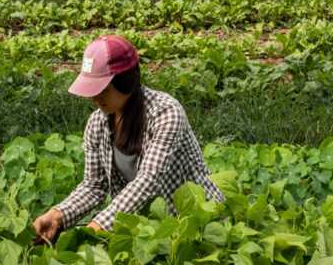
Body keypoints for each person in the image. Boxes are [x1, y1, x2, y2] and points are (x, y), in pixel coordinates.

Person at [32, 35, 223, 241]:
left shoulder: (166, 113)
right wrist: (57, 216)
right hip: (146, 228)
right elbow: (94, 185)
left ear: (126, 81)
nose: (95, 98)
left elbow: (148, 180)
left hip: (195, 223)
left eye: (103, 89)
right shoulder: (97, 124)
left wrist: (98, 225)